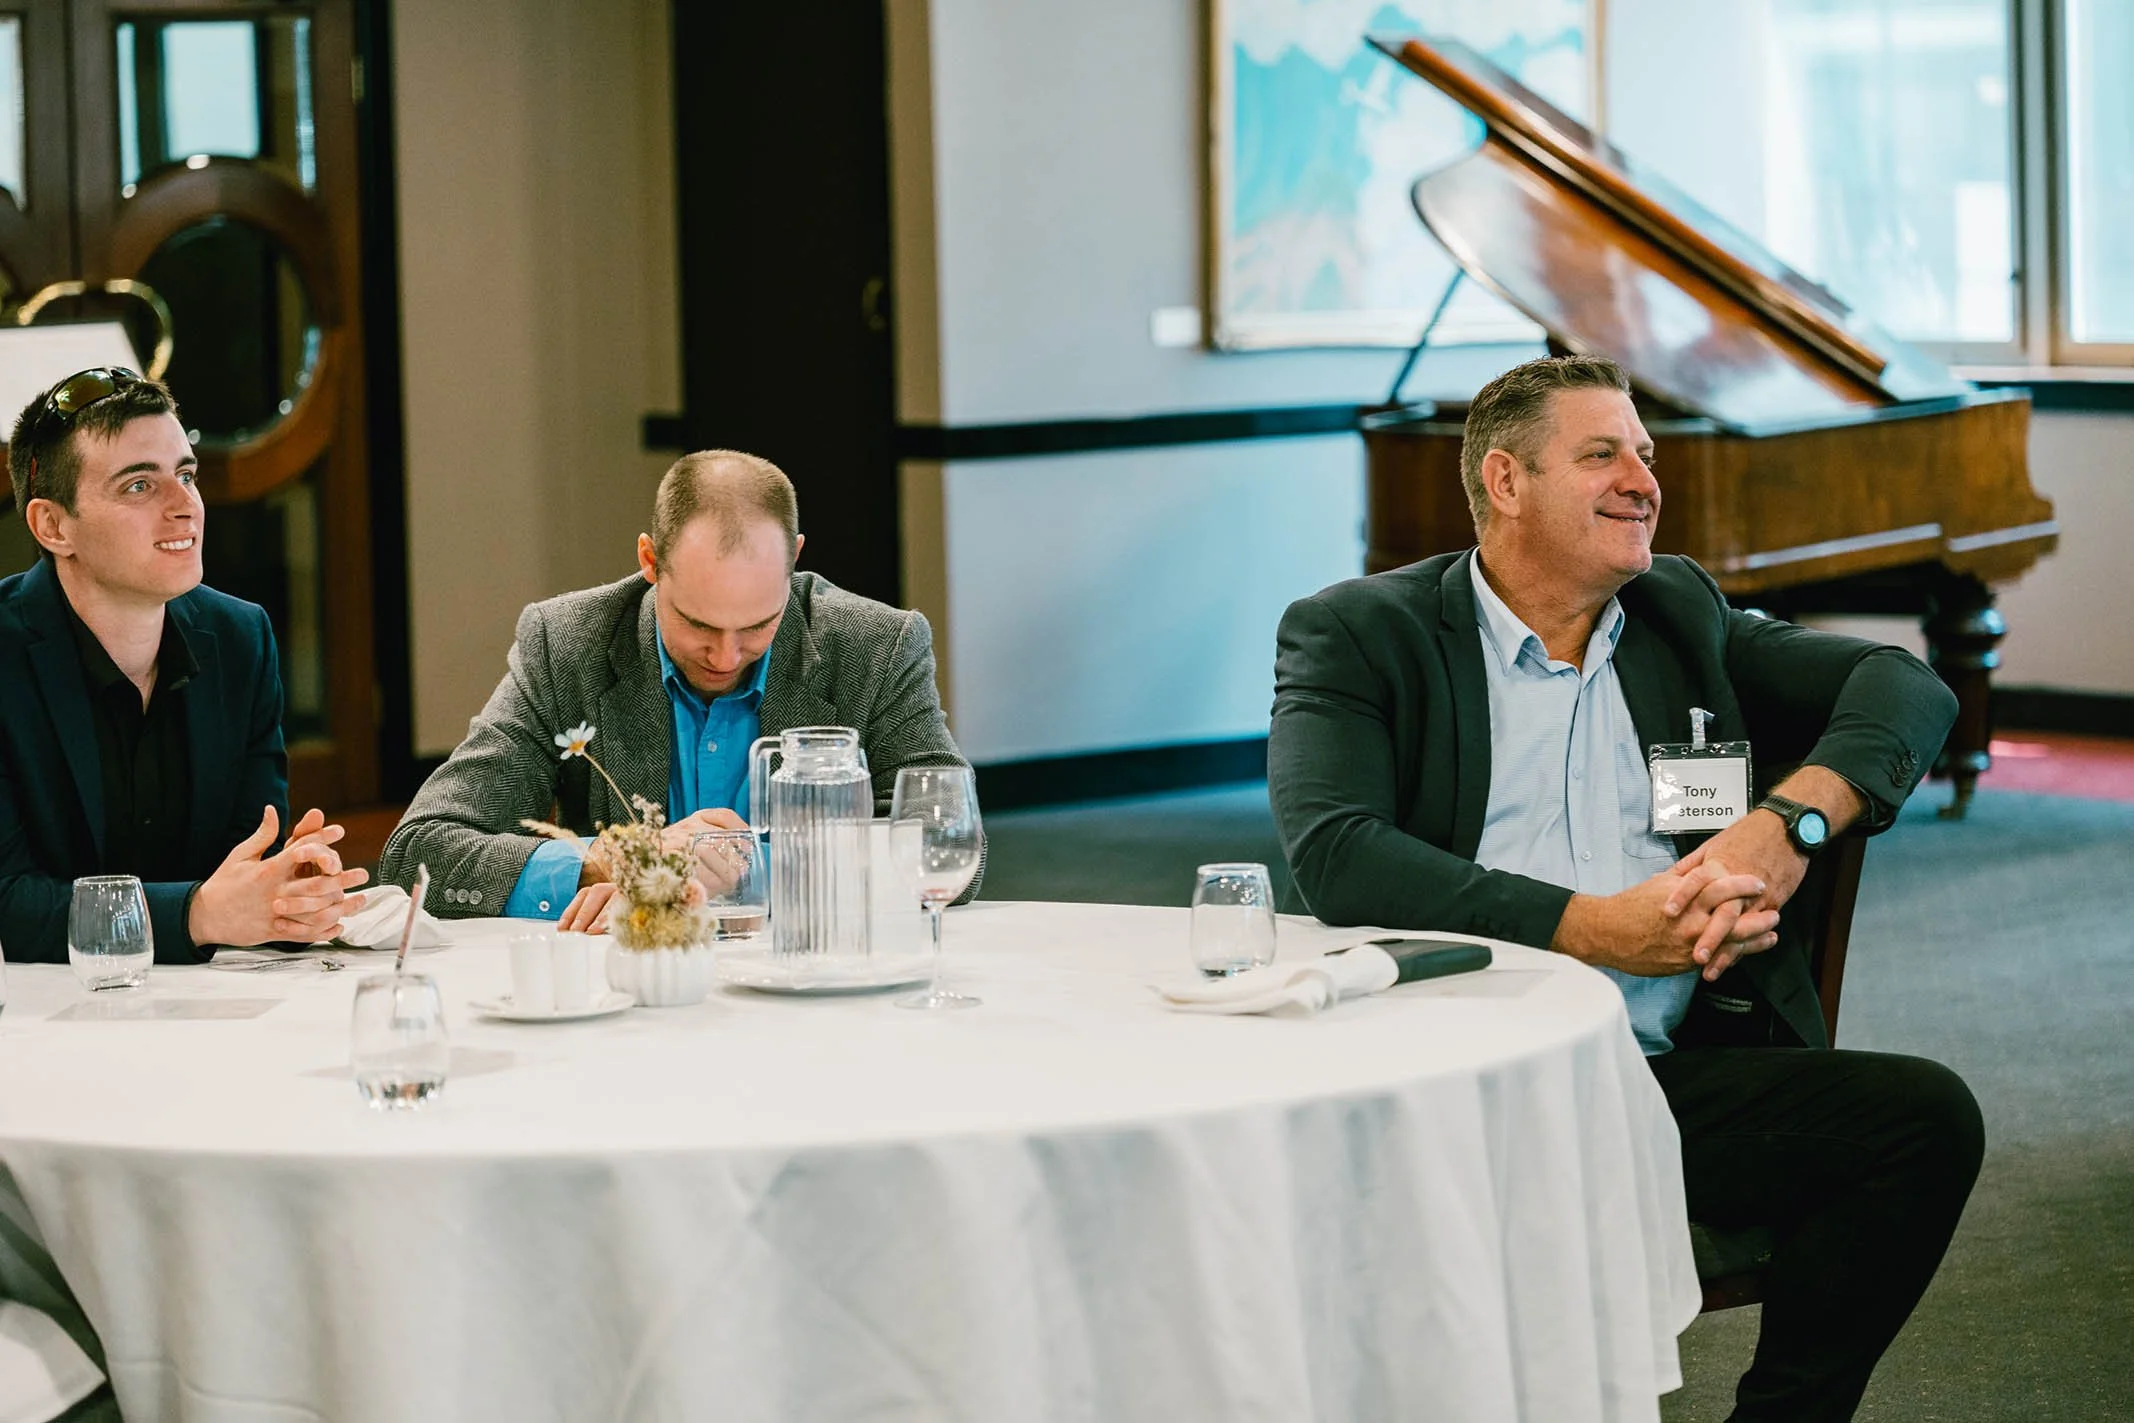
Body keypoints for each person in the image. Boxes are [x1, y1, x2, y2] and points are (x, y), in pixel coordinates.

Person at [1268, 354, 1982, 1422]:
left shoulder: (1678, 615)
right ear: (1504, 482)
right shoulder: (1361, 635)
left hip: (1651, 1079)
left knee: (1920, 1120)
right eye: (1601, 453)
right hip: (1445, 1084)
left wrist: (1782, 824)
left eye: (1644, 455)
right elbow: (1339, 850)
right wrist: (1593, 929)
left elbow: (1907, 685)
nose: (1643, 477)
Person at [382, 448, 977, 927]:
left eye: (758, 625)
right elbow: (417, 852)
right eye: (696, 623)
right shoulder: (567, 644)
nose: (725, 654)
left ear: (794, 560)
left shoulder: (875, 646)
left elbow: (948, 847)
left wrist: (743, 871)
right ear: (650, 560)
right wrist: (605, 860)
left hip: (818, 990)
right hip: (628, 1000)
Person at [0, 367, 367, 962]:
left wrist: (287, 892)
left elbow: (244, 861)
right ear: (53, 525)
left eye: (186, 475)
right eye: (139, 487)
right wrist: (196, 914)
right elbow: (8, 901)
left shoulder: (241, 638)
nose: (185, 506)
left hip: (203, 1008)